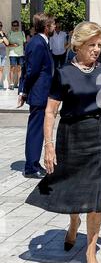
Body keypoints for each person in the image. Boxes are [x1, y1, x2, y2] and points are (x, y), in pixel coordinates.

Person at [25, 21, 101, 263]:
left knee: (97, 193)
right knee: (76, 188)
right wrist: (48, 145)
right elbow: (50, 111)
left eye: (100, 45)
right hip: (74, 137)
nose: (97, 49)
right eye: (92, 45)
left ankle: (90, 251)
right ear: (78, 45)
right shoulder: (64, 73)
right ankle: (73, 222)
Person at [18, 13, 55, 178]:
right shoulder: (38, 44)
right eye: (53, 24)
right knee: (35, 130)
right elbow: (31, 70)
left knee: (39, 130)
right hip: (39, 93)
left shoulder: (41, 42)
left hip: (43, 92)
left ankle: (33, 163)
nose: (55, 27)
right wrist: (24, 91)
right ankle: (31, 167)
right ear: (46, 27)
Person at [7, 20, 26, 89]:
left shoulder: (22, 33)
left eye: (17, 25)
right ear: (12, 26)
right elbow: (7, 44)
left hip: (20, 53)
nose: (15, 27)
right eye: (14, 26)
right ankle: (11, 83)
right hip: (12, 53)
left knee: (19, 69)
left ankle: (18, 83)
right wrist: (13, 45)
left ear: (18, 26)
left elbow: (24, 43)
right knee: (12, 68)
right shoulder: (10, 33)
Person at [0, 22, 9, 89]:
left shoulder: (3, 34)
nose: (0, 27)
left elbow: (7, 43)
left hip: (3, 54)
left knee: (1, 69)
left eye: (1, 25)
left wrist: (2, 35)